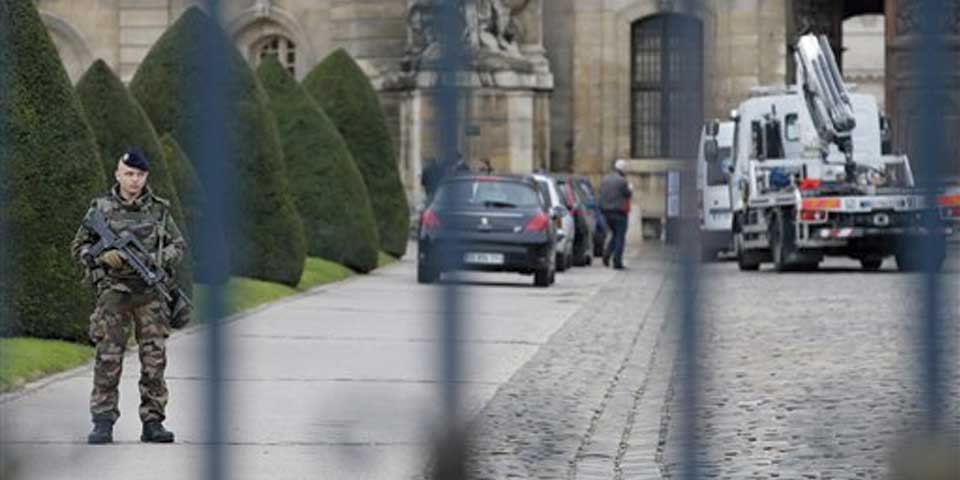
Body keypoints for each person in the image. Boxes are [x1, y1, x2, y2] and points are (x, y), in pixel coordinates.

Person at [71, 148, 186, 445]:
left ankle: (153, 422)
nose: (135, 180)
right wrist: (100, 256)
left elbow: (179, 246)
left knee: (154, 361)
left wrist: (158, 260)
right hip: (114, 295)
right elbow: (78, 247)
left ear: (146, 176)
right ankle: (103, 422)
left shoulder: (159, 210)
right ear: (118, 175)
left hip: (150, 296)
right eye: (129, 174)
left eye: (140, 175)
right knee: (108, 359)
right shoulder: (100, 209)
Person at [598, 159, 633, 269]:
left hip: (606, 212)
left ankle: (606, 255)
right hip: (619, 213)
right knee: (620, 237)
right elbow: (627, 194)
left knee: (614, 235)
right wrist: (630, 189)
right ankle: (617, 261)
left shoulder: (605, 179)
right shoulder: (622, 181)